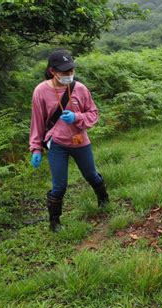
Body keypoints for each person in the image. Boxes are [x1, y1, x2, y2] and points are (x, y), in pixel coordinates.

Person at [29, 49, 109, 232]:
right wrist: (36, 148)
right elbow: (37, 121)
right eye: (64, 72)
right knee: (59, 185)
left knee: (91, 175)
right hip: (57, 144)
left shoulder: (80, 88)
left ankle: (104, 200)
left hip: (81, 142)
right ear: (52, 71)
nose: (69, 75)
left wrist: (77, 117)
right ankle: (54, 222)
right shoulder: (41, 91)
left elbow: (93, 113)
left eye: (71, 71)